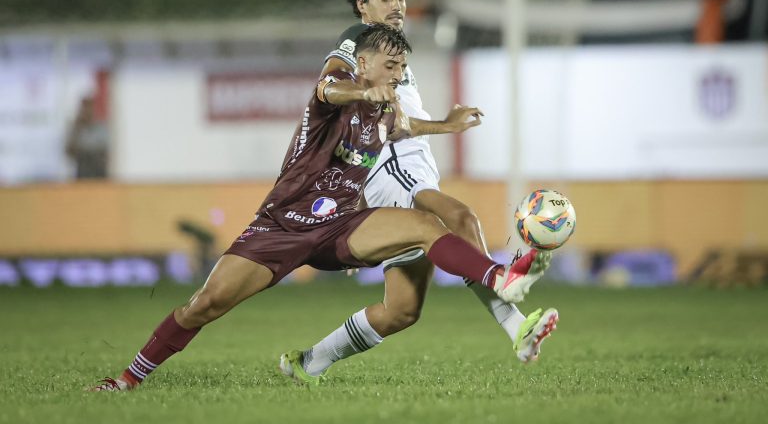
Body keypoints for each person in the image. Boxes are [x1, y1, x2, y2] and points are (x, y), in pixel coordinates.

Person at [90, 24, 543, 392]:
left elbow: (407, 125)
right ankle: (128, 380)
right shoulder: (335, 96)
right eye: (389, 67)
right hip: (282, 227)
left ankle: (498, 278)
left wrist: (450, 124)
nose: (396, 77)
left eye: (402, 69)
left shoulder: (388, 113)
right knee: (203, 305)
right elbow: (329, 89)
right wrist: (364, 92)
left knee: (426, 224)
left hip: (340, 226)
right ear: (363, 64)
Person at [279, 0, 558, 385]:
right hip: (396, 171)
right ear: (362, 5)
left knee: (401, 311)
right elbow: (334, 85)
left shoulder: (391, 51)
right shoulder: (357, 40)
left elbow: (374, 127)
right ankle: (514, 322)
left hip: (403, 169)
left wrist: (351, 200)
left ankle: (309, 362)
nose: (397, 5)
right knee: (460, 218)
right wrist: (441, 123)